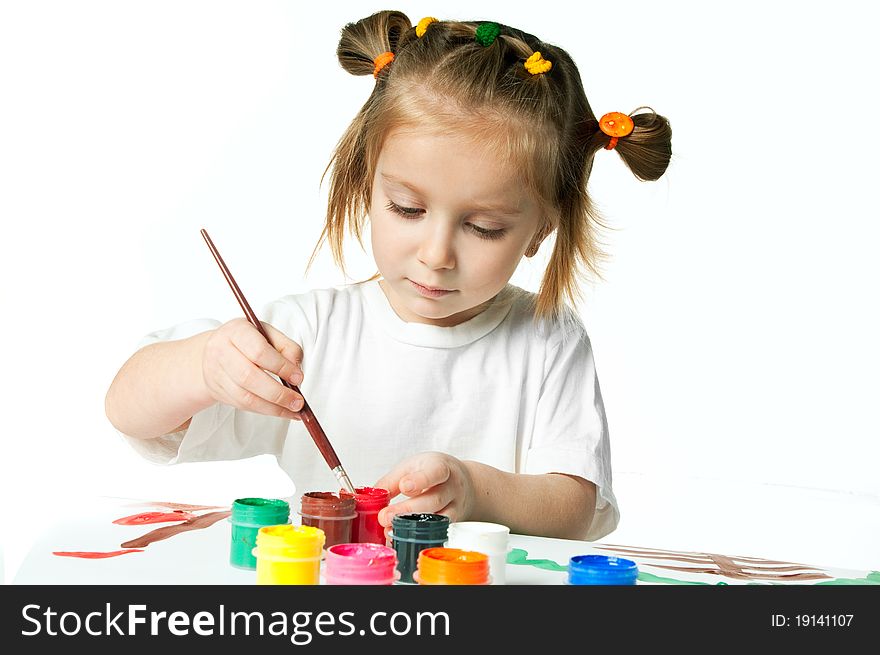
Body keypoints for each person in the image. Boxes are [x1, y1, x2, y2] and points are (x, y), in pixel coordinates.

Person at [105, 10, 671, 541]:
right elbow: (129, 412)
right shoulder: (311, 333)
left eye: (484, 227)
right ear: (365, 181)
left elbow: (574, 509)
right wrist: (204, 365)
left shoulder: (548, 339)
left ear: (542, 229)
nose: (436, 253)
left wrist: (474, 490)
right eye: (407, 209)